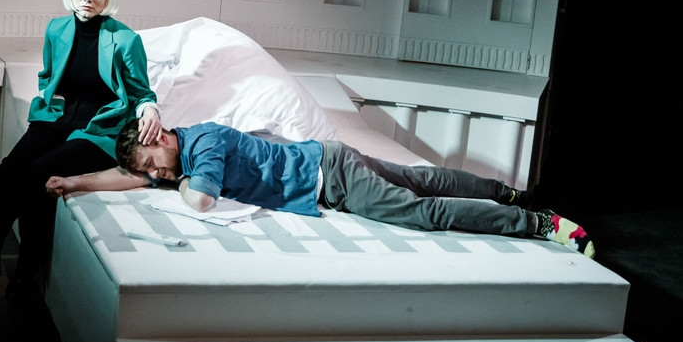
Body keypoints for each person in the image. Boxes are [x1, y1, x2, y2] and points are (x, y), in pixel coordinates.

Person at [46, 118, 595, 258]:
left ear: (162, 137)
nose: (158, 176)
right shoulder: (175, 155)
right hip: (330, 159)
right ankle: (508, 192)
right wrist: (76, 181)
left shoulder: (202, 147)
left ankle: (539, 223)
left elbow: (202, 199)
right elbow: (130, 175)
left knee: (421, 209)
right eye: (153, 172)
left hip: (332, 177)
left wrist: (181, 180)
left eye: (156, 163)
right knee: (423, 176)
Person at [0, 0, 162, 308]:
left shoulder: (125, 39)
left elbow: (141, 91)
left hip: (100, 126)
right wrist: (53, 103)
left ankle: (26, 272)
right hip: (58, 118)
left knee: (40, 172)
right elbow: (49, 76)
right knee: (7, 173)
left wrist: (149, 108)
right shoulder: (56, 29)